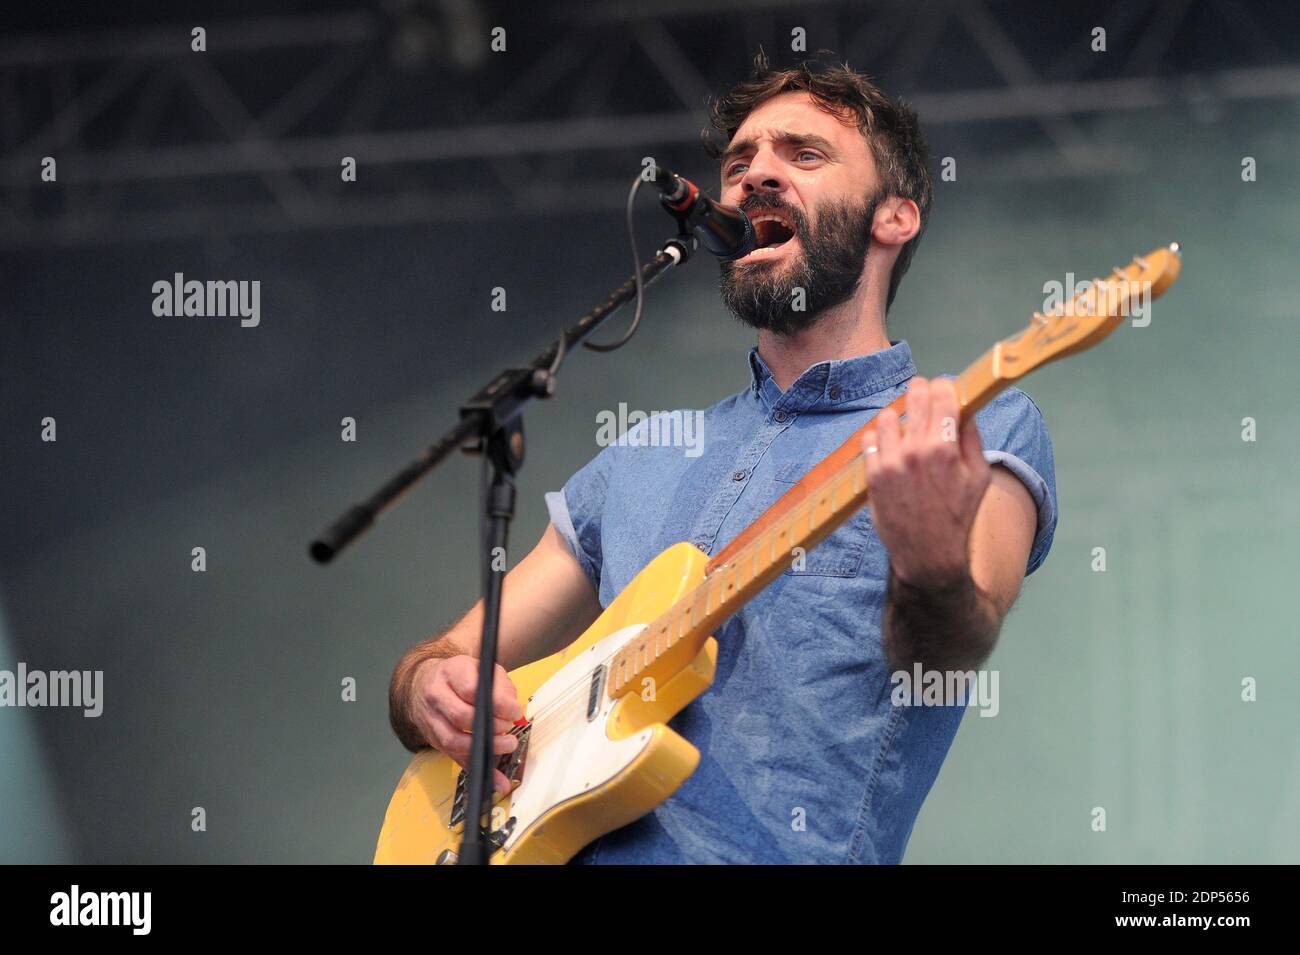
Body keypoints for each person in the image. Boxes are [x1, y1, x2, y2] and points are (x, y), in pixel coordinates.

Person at [387, 52, 1057, 864]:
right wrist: (426, 687)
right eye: (740, 162)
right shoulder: (637, 456)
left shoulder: (974, 422)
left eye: (803, 154)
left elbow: (951, 649)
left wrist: (927, 560)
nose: (754, 176)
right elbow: (456, 652)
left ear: (894, 217)